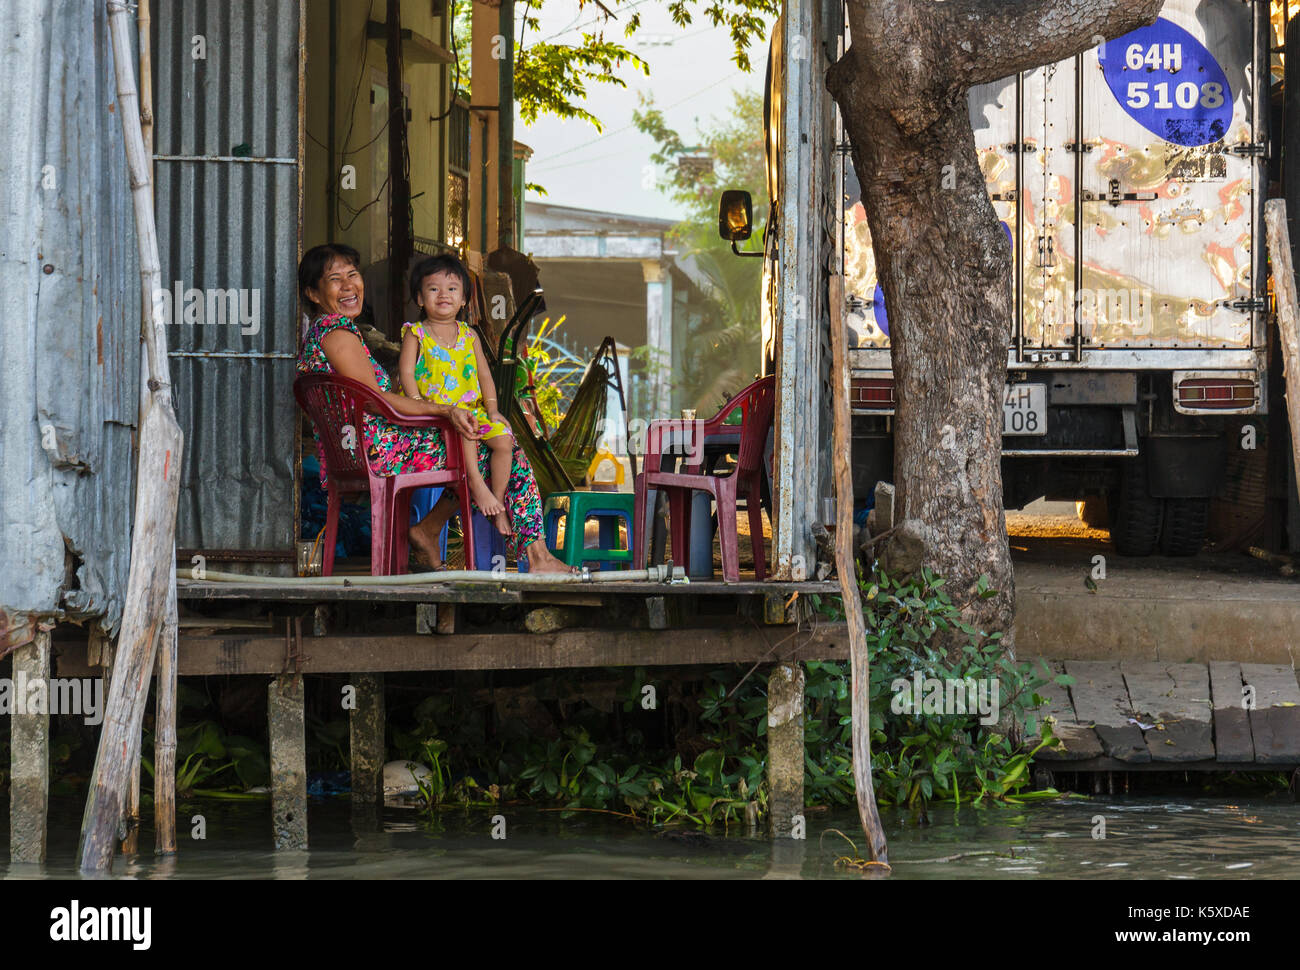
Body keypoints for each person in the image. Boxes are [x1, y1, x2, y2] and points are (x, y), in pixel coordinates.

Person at [296, 242, 572, 574]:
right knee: (505, 453)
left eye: (352, 275)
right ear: (313, 293)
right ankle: (538, 558)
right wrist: (444, 410)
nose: (348, 285)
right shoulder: (337, 333)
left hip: (371, 445)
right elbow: (375, 401)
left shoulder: (328, 334)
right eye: (334, 279)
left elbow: (374, 397)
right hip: (380, 450)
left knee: (482, 449)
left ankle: (428, 530)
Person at [399, 254, 513, 537]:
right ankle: (476, 483)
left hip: (472, 410)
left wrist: (494, 410)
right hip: (435, 414)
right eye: (433, 288)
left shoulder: (469, 335)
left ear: (464, 299)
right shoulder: (416, 333)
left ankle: (496, 501)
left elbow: (485, 376)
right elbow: (407, 374)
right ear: (420, 298)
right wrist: (417, 404)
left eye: (452, 289)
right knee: (466, 428)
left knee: (504, 441)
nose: (443, 295)